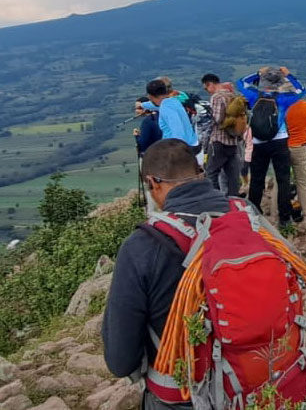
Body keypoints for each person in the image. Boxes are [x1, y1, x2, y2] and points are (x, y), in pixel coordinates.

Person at [102, 140, 227, 409]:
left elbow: (120, 360)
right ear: (200, 172)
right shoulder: (247, 216)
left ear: (153, 183)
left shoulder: (142, 247)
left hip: (184, 397)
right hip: (257, 381)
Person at [236, 66, 306, 228]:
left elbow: (241, 83)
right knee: (283, 180)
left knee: (257, 180)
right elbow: (301, 90)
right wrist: (290, 75)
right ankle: (284, 218)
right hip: (279, 141)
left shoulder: (253, 96)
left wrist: (257, 73)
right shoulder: (283, 99)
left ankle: (254, 212)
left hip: (258, 143)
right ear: (279, 83)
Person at [201, 73, 242, 196]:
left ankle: (214, 199)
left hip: (219, 140)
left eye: (206, 87)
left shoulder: (217, 97)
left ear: (210, 84)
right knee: (232, 176)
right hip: (233, 141)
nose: (207, 91)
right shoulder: (232, 95)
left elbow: (217, 119)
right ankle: (234, 200)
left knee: (211, 173)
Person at [145, 79, 201, 164]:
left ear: (150, 96)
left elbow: (178, 131)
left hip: (180, 149)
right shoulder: (174, 101)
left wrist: (177, 153)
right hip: (192, 144)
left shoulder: (166, 108)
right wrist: (142, 105)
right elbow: (156, 105)